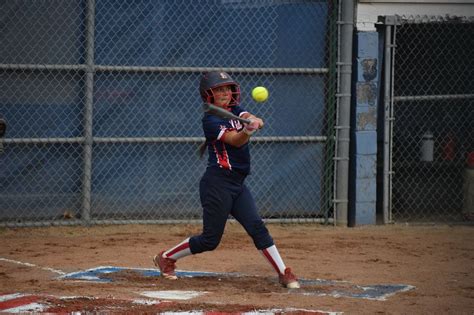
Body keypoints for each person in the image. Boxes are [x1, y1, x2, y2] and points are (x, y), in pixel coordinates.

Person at [153, 71, 300, 289]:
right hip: (217, 184)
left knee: (257, 227)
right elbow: (235, 140)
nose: (224, 93)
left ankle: (283, 272)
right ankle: (166, 258)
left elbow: (247, 115)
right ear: (208, 95)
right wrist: (248, 131)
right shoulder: (210, 120)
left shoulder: (234, 111)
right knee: (210, 240)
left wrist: (252, 119)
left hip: (237, 184)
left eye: (227, 88)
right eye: (219, 89)